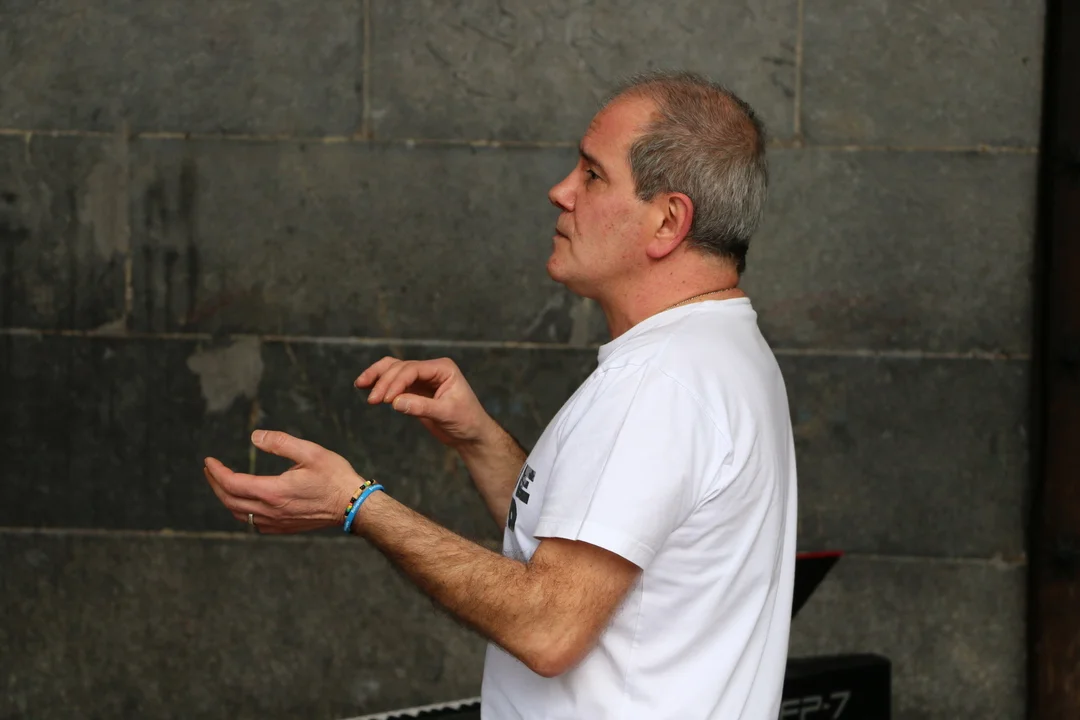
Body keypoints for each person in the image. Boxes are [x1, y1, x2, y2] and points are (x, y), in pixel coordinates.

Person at [203, 70, 797, 719]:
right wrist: (480, 440)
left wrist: (357, 504)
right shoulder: (722, 351)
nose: (560, 191)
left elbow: (549, 627)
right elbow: (593, 547)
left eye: (592, 175)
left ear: (668, 221)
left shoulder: (660, 383)